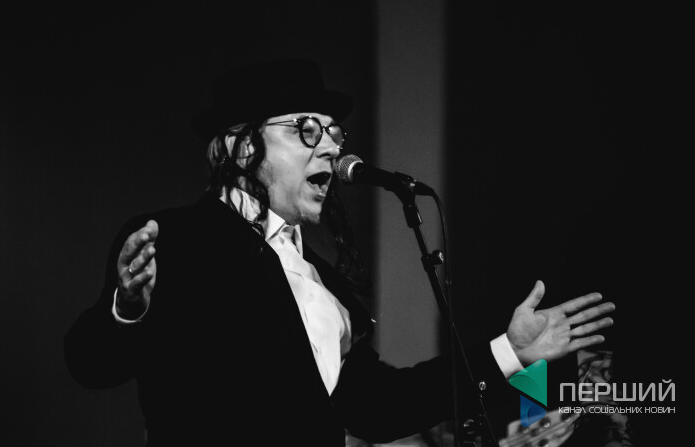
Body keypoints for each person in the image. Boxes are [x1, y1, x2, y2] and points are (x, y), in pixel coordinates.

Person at [64, 59, 615, 446]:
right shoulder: (175, 240)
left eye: (333, 132)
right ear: (242, 145)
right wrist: (126, 310)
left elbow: (381, 409)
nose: (331, 146)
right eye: (307, 130)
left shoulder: (323, 285)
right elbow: (91, 365)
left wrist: (509, 351)